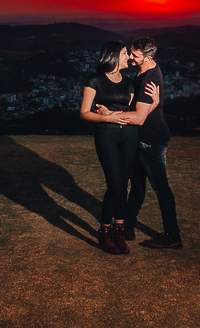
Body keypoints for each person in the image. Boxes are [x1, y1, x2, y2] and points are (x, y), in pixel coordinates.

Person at [78, 41, 158, 254]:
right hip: (106, 135)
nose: (128, 58)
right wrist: (109, 119)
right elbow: (84, 112)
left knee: (123, 185)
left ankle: (119, 231)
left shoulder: (130, 82)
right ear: (113, 55)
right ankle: (105, 230)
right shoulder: (94, 80)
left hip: (130, 135)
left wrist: (154, 104)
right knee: (115, 185)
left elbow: (136, 114)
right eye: (124, 54)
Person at [124, 37, 182, 249]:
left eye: (135, 55)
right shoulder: (147, 71)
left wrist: (108, 115)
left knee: (160, 188)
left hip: (151, 139)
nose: (130, 57)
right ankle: (127, 225)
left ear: (147, 58)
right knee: (138, 185)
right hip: (143, 138)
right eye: (130, 53)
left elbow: (139, 118)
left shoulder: (149, 78)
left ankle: (172, 234)